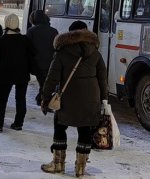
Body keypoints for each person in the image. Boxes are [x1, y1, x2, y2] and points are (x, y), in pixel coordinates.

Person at [40, 20, 108, 177]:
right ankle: (80, 169)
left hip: (68, 98)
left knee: (59, 126)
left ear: (70, 34)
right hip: (91, 98)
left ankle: (58, 164)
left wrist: (45, 96)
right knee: (85, 129)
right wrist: (104, 100)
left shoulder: (63, 52)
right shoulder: (96, 53)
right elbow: (102, 79)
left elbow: (52, 77)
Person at [0, 14, 35, 132]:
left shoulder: (1, 41)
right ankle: (18, 123)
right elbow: (33, 54)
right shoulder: (25, 40)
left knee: (1, 99)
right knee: (20, 99)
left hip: (5, 74)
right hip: (22, 74)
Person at [26, 10, 58, 106]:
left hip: (37, 64)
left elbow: (28, 49)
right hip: (51, 63)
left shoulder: (31, 31)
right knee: (45, 83)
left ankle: (42, 100)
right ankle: (42, 99)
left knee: (43, 83)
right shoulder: (54, 31)